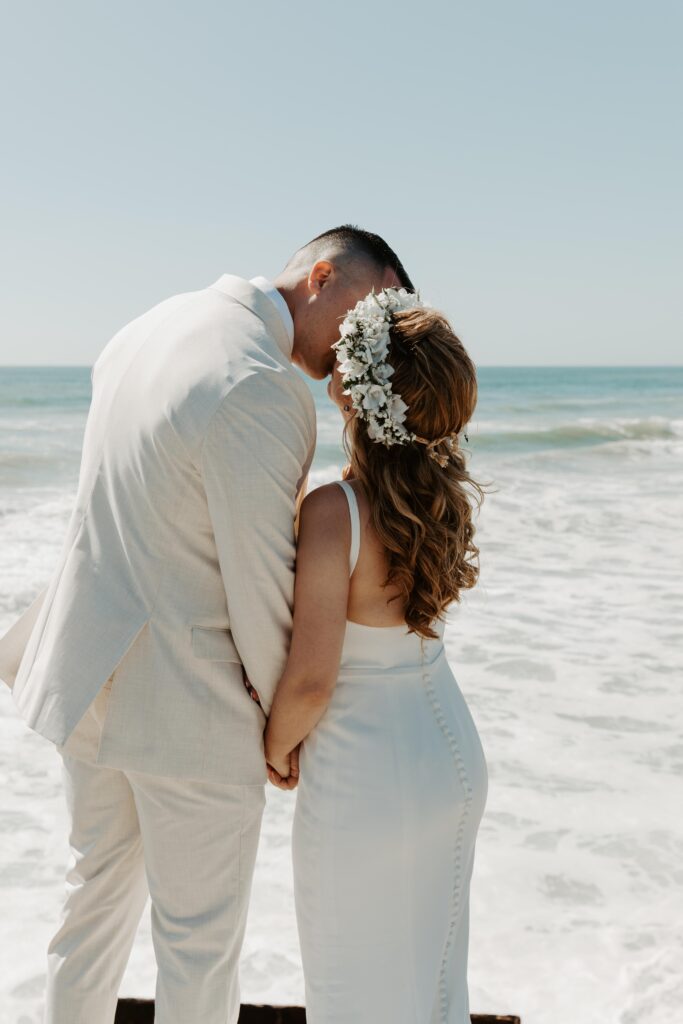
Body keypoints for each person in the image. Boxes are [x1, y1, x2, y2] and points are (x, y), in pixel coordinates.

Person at [0, 226, 413, 1024]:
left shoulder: (149, 324)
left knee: (88, 910)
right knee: (198, 944)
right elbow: (261, 586)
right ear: (322, 275)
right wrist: (281, 728)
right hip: (186, 708)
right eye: (375, 307)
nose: (373, 338)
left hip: (84, 672)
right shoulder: (261, 382)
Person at [264, 288, 489, 1023]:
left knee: (350, 982)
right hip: (447, 756)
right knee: (429, 980)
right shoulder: (442, 504)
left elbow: (310, 681)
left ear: (358, 394)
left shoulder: (336, 512)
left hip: (366, 775)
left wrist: (275, 748)